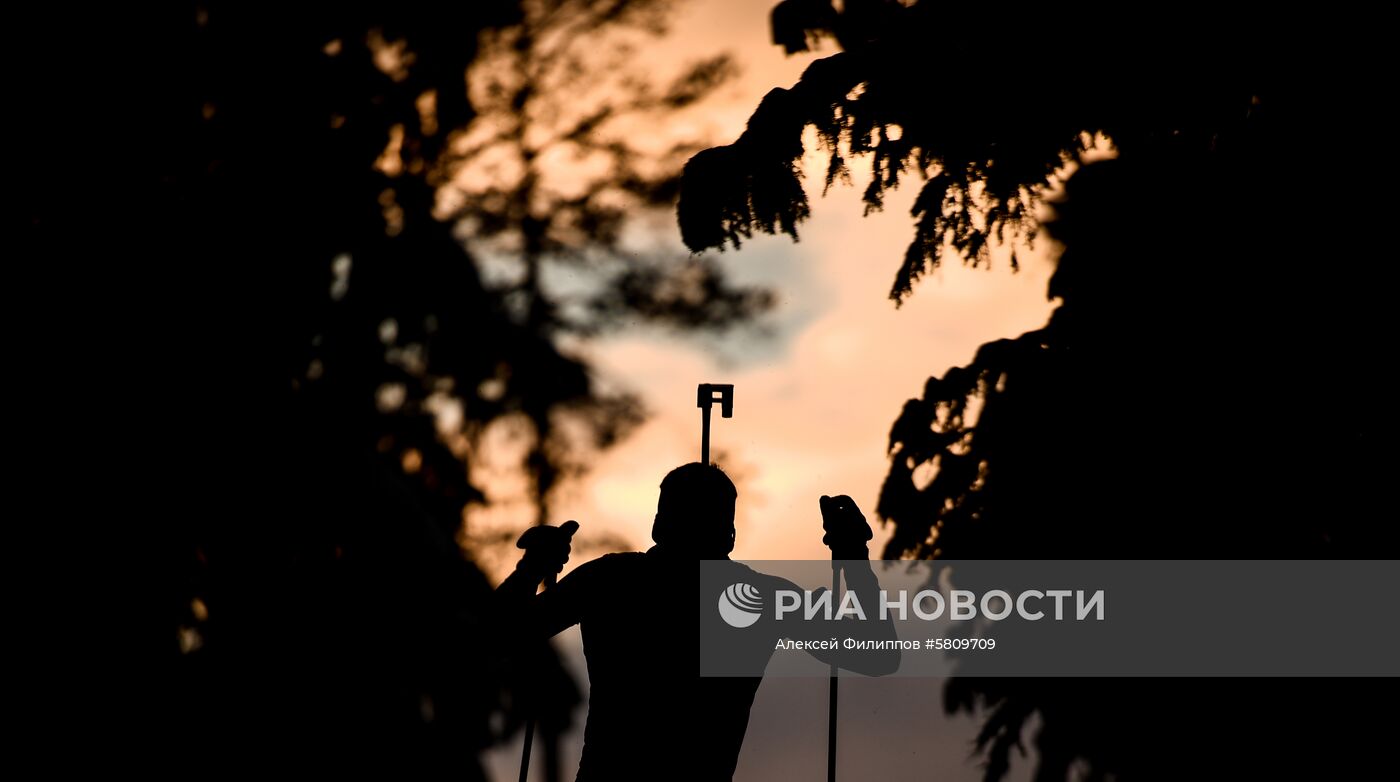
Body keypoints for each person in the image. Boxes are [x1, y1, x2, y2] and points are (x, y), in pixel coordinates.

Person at [495, 462, 898, 780]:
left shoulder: (611, 579)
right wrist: (854, 559)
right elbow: (879, 655)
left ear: (657, 526)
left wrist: (533, 568)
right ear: (730, 534)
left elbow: (498, 635)